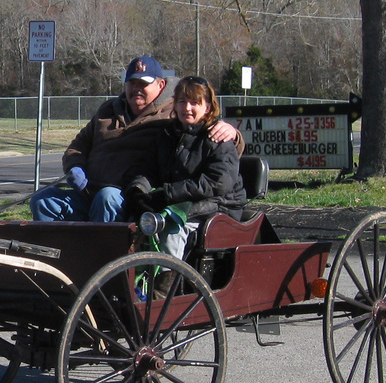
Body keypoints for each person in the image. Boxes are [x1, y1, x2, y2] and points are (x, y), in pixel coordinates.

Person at [30, 56, 242, 222]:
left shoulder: (173, 112)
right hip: (87, 191)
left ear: (160, 85)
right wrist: (74, 167)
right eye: (131, 83)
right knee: (43, 199)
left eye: (143, 83)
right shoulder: (107, 110)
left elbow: (208, 141)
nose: (136, 89)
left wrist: (232, 132)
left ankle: (100, 264)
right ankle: (61, 260)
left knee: (107, 197)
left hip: (121, 197)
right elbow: (77, 147)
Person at [121, 75, 248, 259]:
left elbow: (217, 183)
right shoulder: (166, 135)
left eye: (194, 103)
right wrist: (138, 191)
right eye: (182, 102)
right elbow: (147, 169)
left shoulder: (219, 139)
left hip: (219, 206)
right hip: (179, 201)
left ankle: (166, 283)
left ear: (208, 107)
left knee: (172, 226)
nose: (187, 108)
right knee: (135, 222)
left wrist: (167, 194)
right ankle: (130, 278)